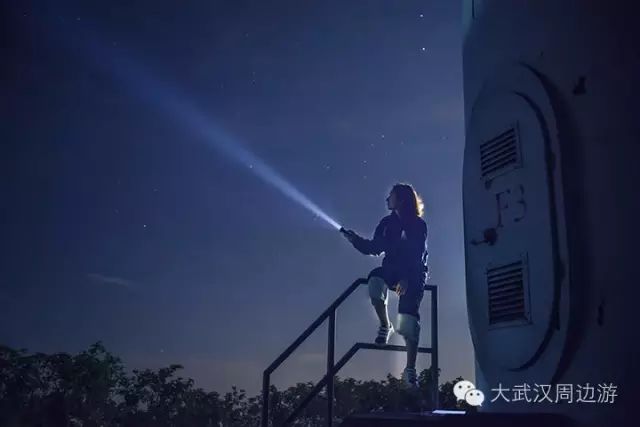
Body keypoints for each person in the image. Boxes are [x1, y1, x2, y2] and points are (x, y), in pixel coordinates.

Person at [341, 183, 428, 388]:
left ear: (402, 199)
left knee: (408, 320)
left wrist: (407, 278)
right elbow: (374, 248)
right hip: (392, 271)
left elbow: (417, 254)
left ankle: (410, 370)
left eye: (391, 196)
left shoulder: (418, 225)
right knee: (374, 280)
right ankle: (384, 325)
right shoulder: (386, 223)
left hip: (414, 275)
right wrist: (354, 240)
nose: (387, 199)